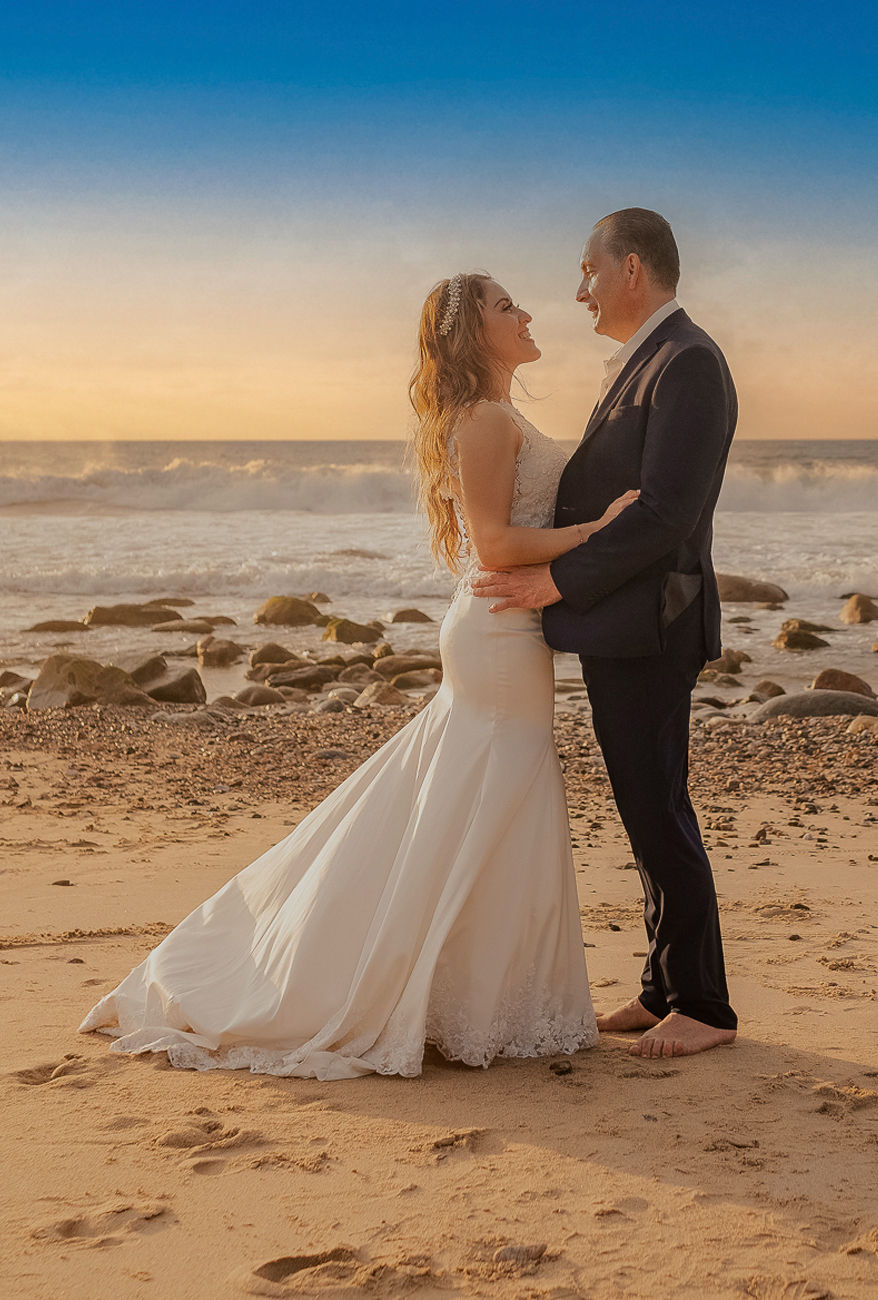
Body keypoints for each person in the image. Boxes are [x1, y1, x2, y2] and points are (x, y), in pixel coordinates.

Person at [79, 271, 637, 1081]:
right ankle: (442, 998)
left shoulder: (499, 415)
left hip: (509, 631)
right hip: (496, 632)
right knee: (490, 795)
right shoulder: (483, 420)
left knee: (488, 803)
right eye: (504, 306)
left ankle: (477, 1001)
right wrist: (599, 529)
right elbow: (493, 546)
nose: (525, 314)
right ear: (472, 335)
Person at [473, 209, 739, 1060]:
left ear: (631, 268)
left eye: (586, 270)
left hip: (654, 625)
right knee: (641, 801)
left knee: (657, 806)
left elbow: (665, 514)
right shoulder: (650, 361)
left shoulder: (688, 363)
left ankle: (705, 1005)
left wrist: (554, 578)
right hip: (626, 625)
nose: (577, 289)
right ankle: (665, 987)